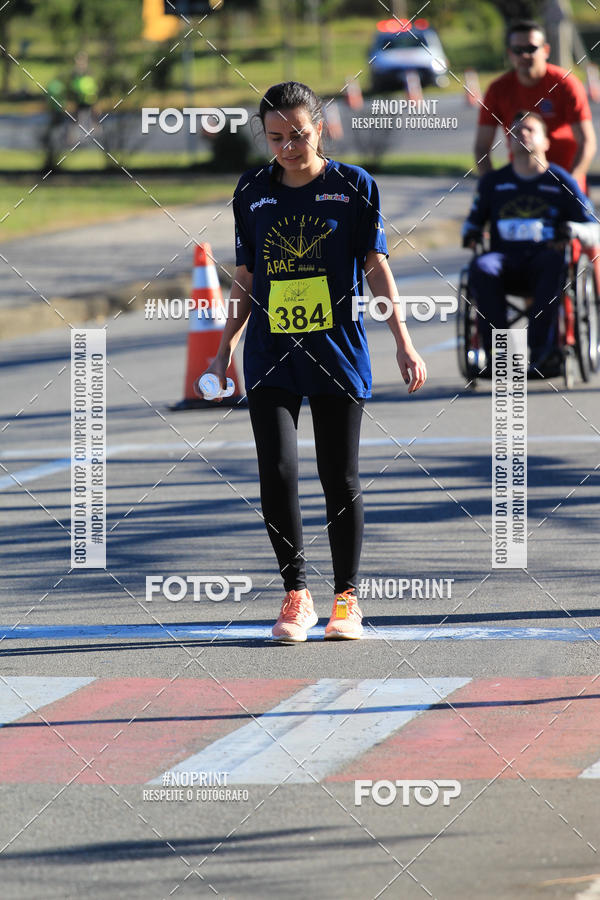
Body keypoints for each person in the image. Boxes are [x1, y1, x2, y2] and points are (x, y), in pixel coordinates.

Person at [202, 81, 426, 643]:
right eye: (275, 137)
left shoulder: (353, 186)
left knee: (338, 474)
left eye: (298, 134)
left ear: (320, 128)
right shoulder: (252, 188)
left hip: (336, 350)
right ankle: (296, 594)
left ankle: (346, 599)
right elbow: (248, 277)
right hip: (272, 351)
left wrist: (403, 338)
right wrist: (227, 343)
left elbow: (376, 266)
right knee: (277, 472)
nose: (288, 147)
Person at [463, 110, 598, 377]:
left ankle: (543, 352)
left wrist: (570, 229)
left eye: (529, 129)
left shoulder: (561, 182)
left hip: (545, 258)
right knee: (482, 266)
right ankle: (499, 355)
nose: (520, 134)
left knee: (554, 265)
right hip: (504, 260)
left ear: (546, 142)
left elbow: (593, 228)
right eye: (515, 131)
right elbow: (473, 222)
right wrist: (471, 233)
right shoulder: (494, 182)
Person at [474, 19, 596, 190]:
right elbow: (481, 146)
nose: (525, 55)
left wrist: (571, 183)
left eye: (531, 48)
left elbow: (586, 141)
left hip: (566, 182)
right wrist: (491, 187)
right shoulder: (498, 90)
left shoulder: (564, 84)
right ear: (510, 54)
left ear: (545, 50)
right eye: (518, 50)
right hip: (522, 185)